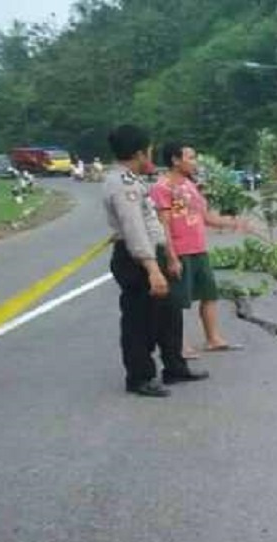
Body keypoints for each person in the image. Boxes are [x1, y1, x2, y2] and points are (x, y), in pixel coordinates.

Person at [104, 125, 208, 397]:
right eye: (149, 150)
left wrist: (166, 258)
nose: (151, 155)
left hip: (153, 253)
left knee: (169, 313)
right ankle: (140, 377)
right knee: (140, 319)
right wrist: (152, 269)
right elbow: (135, 229)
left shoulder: (133, 179)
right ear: (139, 153)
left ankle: (175, 366)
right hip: (137, 258)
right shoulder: (122, 185)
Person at [150, 141, 251, 357]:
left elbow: (206, 217)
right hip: (179, 250)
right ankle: (179, 345)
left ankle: (213, 338)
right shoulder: (162, 187)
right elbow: (163, 223)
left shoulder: (190, 185)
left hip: (198, 249)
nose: (195, 162)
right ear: (175, 160)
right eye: (191, 157)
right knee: (177, 301)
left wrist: (233, 222)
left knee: (209, 293)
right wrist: (171, 256)